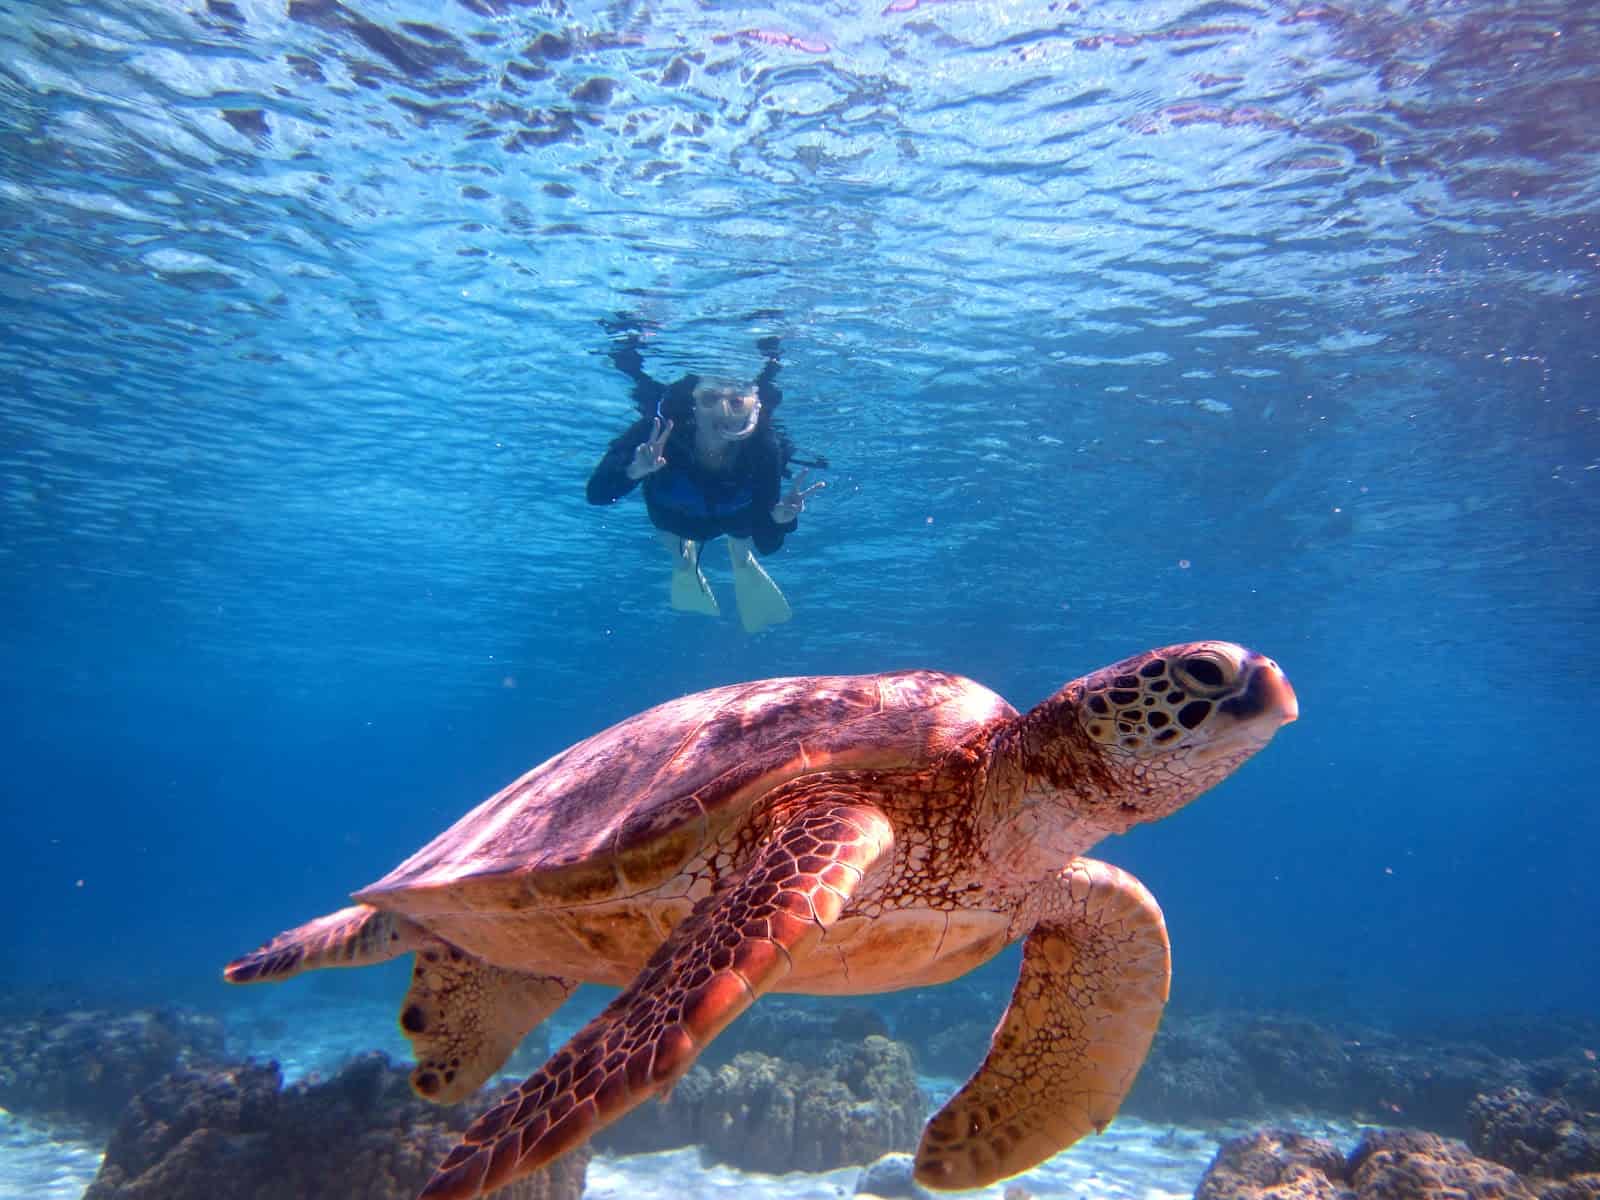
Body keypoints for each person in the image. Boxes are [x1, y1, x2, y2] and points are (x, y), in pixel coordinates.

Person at [586, 331, 824, 633]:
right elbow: (596, 494)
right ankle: (683, 563)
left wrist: (780, 520)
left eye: (737, 402)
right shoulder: (657, 431)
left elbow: (768, 543)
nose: (723, 411)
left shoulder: (764, 446)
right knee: (674, 538)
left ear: (754, 408)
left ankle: (741, 558)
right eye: (710, 399)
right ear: (694, 404)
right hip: (673, 517)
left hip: (735, 518)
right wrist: (633, 470)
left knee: (743, 538)